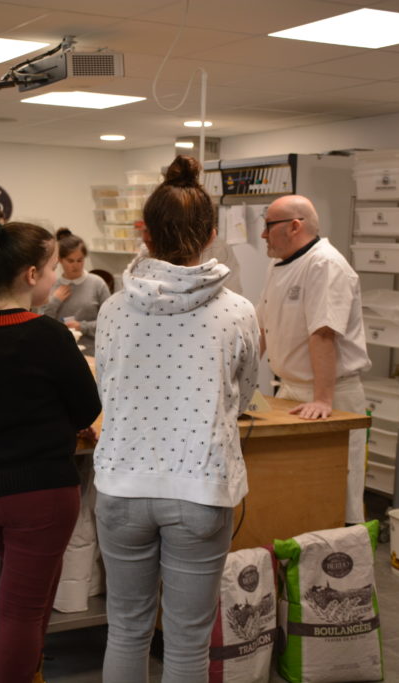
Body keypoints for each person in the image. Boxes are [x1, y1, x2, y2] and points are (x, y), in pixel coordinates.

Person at [92, 155, 260, 682]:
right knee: (187, 642)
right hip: (199, 487)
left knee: (126, 628)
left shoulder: (114, 308)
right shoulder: (237, 311)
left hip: (121, 485)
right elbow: (245, 391)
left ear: (147, 232)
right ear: (211, 234)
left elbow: (107, 387)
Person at [0, 221, 101, 683]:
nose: (58, 278)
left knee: (29, 596)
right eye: (52, 268)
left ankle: (33, 670)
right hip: (36, 495)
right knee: (21, 612)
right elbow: (87, 406)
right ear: (30, 274)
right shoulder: (46, 336)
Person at [256, 194, 371, 524]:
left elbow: (323, 334)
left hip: (332, 394)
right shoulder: (277, 265)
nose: (263, 235)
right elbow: (263, 329)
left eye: (268, 226)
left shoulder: (325, 264)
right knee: (290, 485)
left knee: (336, 492)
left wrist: (323, 399)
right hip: (291, 390)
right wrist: (240, 383)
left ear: (294, 226)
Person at [40, 229, 110, 356]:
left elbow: (110, 322)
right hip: (61, 351)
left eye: (80, 260)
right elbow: (42, 324)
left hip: (92, 352)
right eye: (71, 261)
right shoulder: (51, 285)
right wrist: (54, 301)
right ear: (60, 260)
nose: (76, 265)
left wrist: (82, 327)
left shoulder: (97, 284)